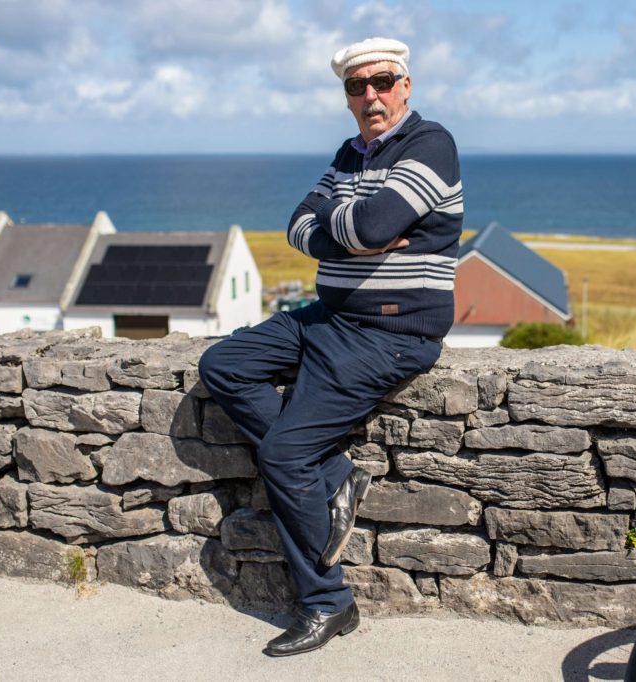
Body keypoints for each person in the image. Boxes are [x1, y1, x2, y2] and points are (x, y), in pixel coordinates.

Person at [198, 37, 462, 657]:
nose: (371, 95)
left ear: (405, 85)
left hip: (390, 333)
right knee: (223, 364)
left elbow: (367, 224)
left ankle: (328, 602)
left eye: (382, 82)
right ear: (346, 96)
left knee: (285, 454)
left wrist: (344, 225)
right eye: (356, 86)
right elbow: (298, 225)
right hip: (329, 317)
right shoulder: (350, 153)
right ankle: (335, 472)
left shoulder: (430, 145)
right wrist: (353, 235)